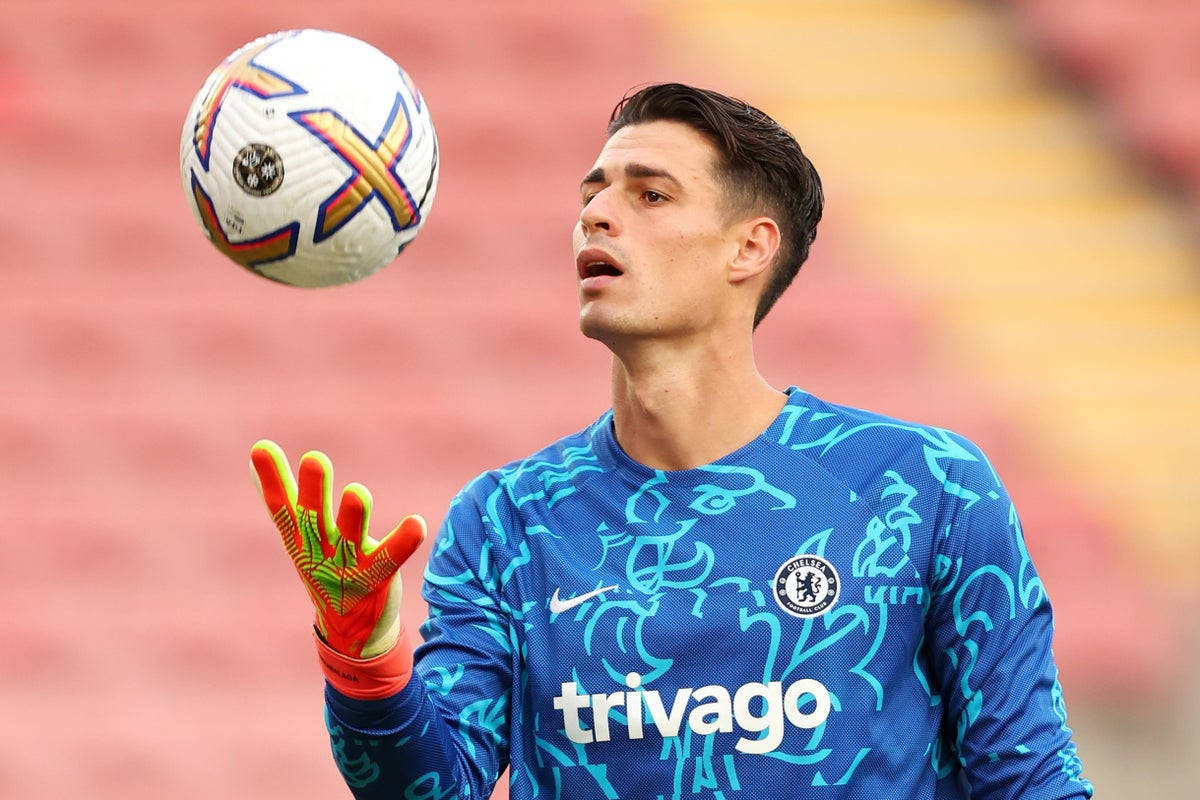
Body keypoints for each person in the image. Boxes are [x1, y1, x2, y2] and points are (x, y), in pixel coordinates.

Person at [250, 83, 1093, 799]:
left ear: (749, 248)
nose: (596, 216)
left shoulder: (923, 487)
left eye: (649, 195)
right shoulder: (507, 521)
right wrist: (365, 664)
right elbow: (431, 787)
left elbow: (1032, 781)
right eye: (593, 193)